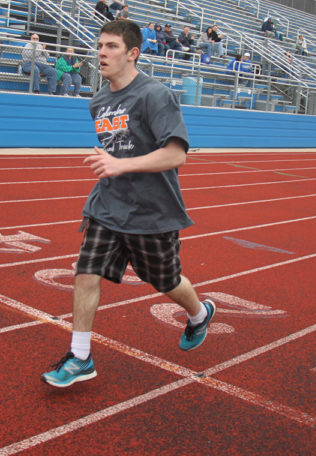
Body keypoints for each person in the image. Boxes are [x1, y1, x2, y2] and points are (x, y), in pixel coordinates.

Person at [41, 19, 216, 388]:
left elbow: (175, 155)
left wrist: (121, 164)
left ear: (133, 53)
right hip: (108, 206)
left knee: (164, 280)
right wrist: (113, 166)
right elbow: (117, 150)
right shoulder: (98, 101)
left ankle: (199, 313)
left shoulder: (155, 95)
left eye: (112, 46)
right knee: (86, 272)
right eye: (100, 45)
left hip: (153, 211)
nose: (102, 52)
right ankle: (80, 357)